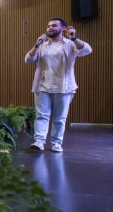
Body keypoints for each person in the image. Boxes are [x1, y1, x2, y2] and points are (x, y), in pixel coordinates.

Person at [25, 17, 92, 152]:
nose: (50, 28)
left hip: (64, 86)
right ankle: (39, 141)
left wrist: (74, 38)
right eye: (48, 26)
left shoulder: (70, 44)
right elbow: (28, 59)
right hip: (42, 85)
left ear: (63, 29)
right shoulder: (42, 44)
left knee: (59, 117)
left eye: (54, 26)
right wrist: (37, 44)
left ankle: (56, 143)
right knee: (41, 115)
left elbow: (87, 50)